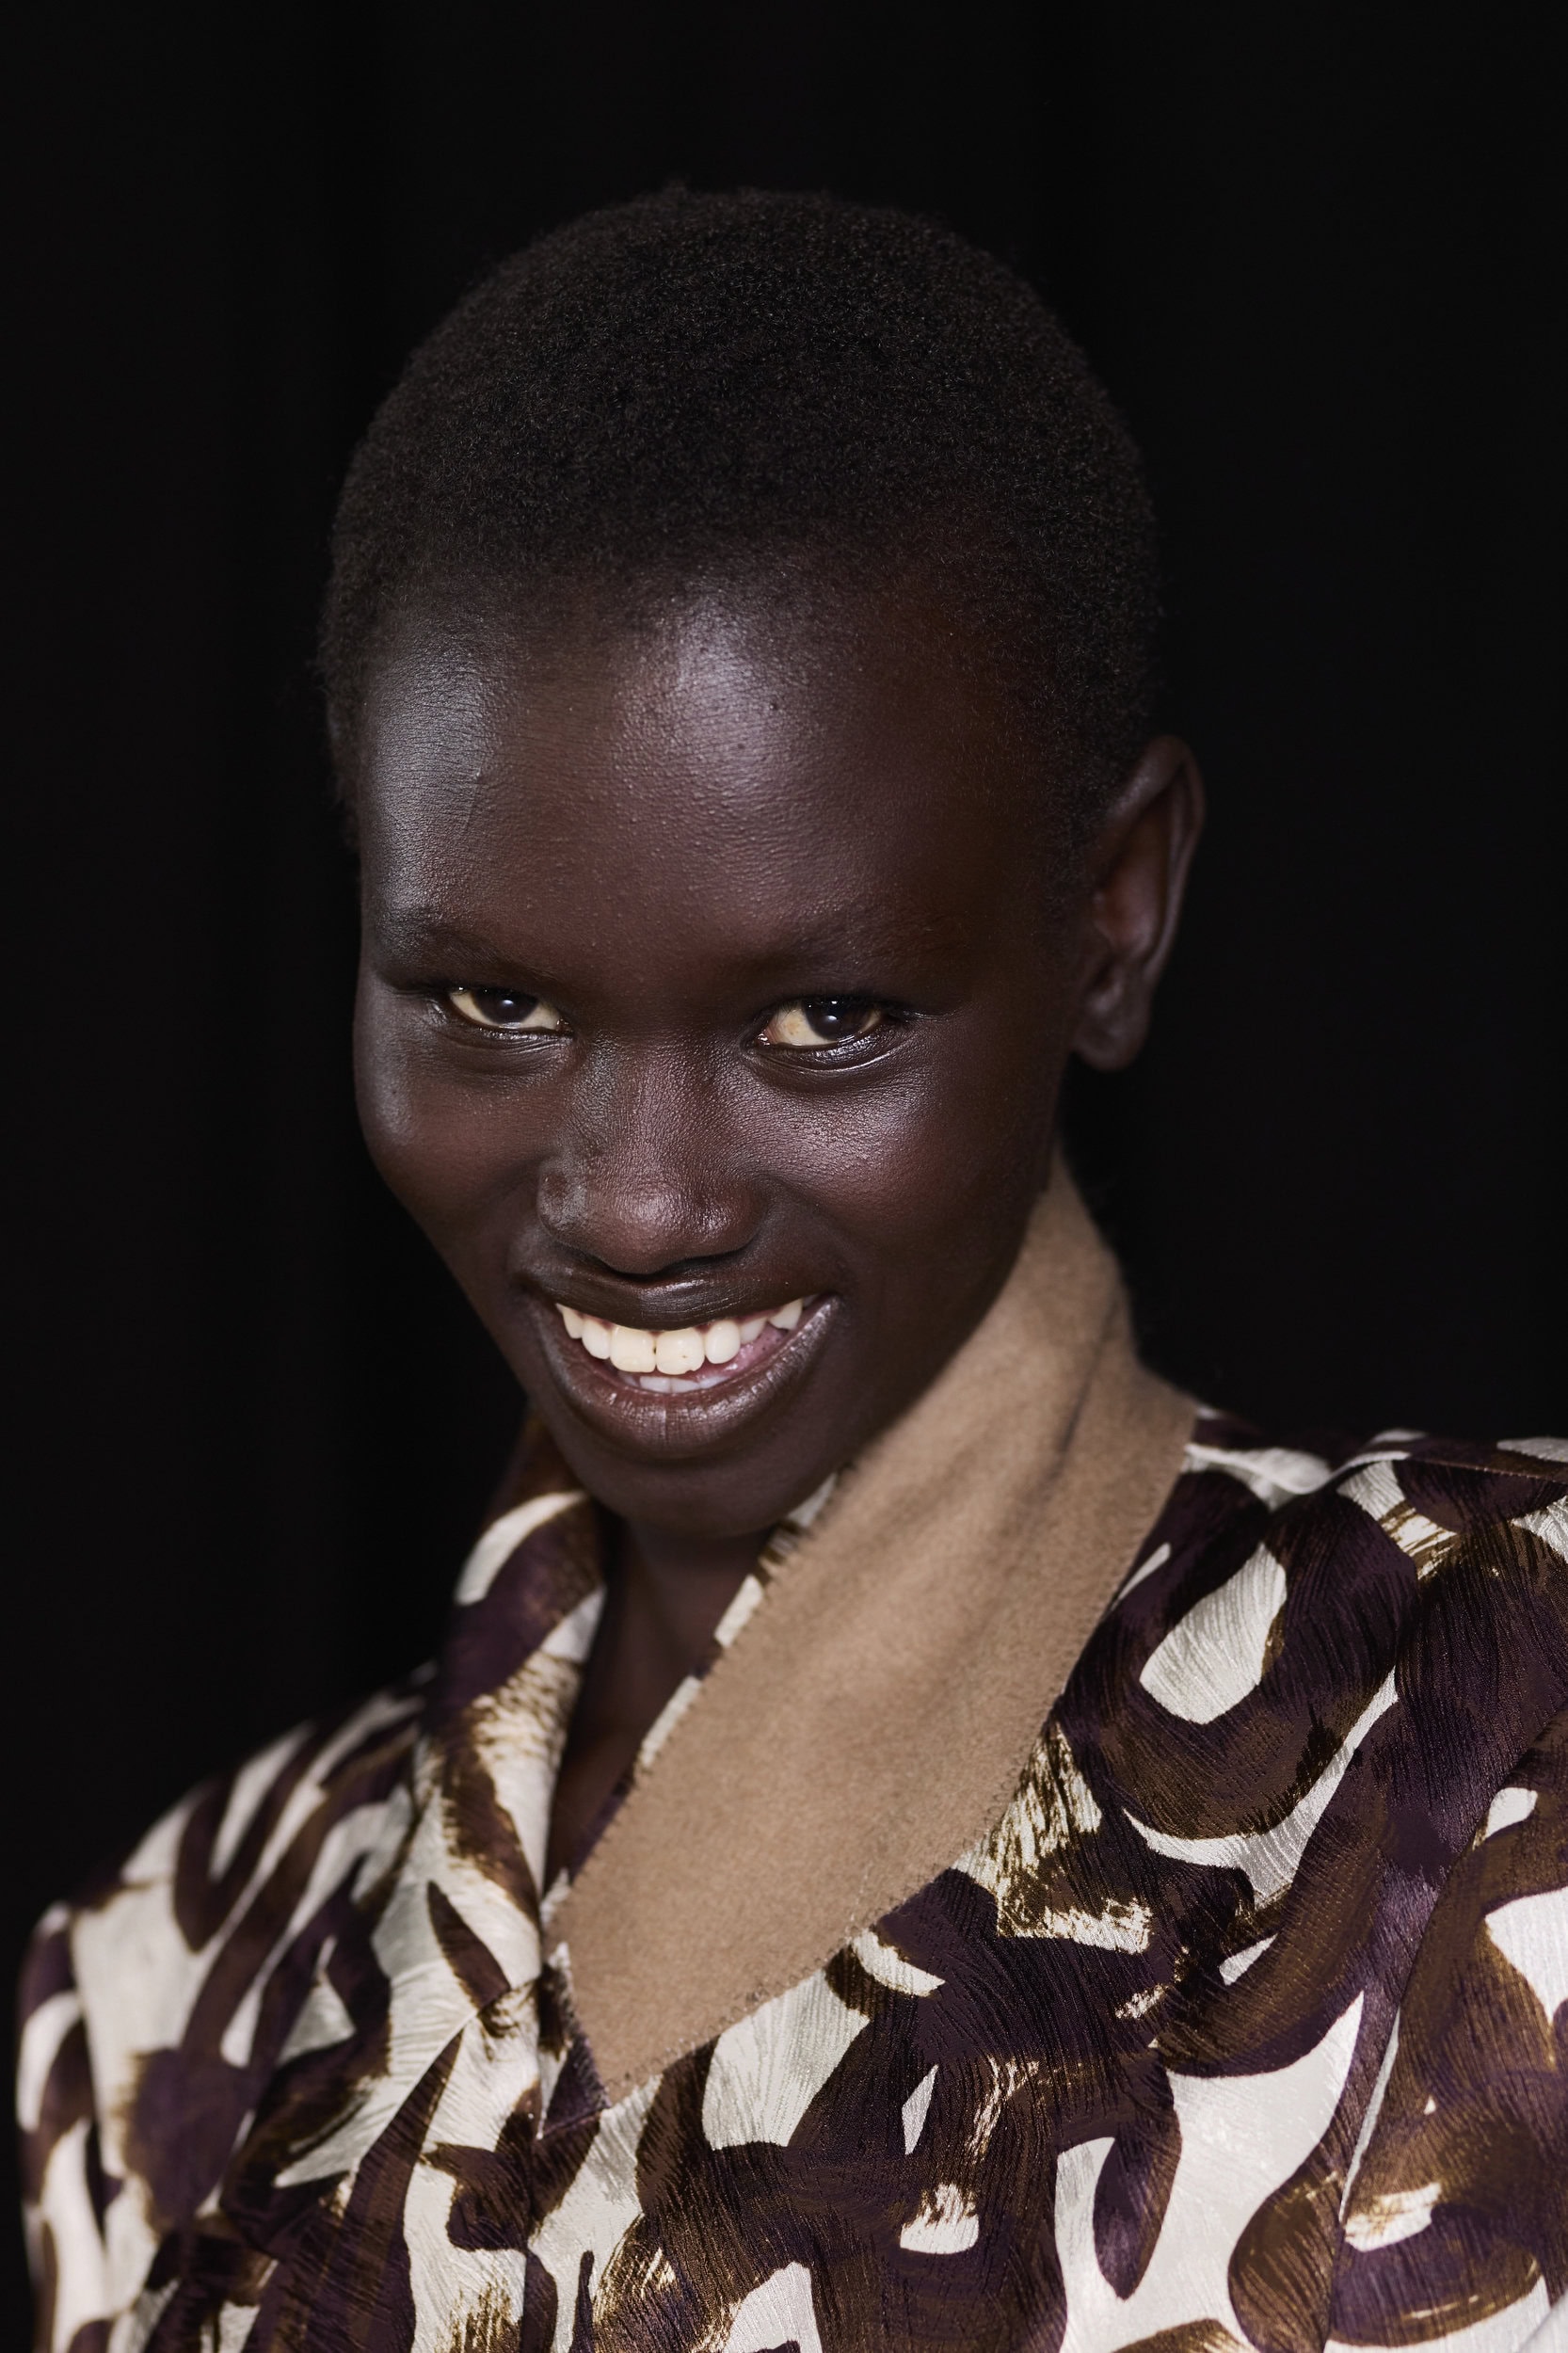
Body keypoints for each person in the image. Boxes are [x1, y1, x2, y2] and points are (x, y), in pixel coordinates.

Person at [17, 188, 1568, 2353]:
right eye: (490, 1003)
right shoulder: (158, 1987)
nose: (638, 1203)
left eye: (823, 1019)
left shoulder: (1485, 1719)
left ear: (1112, 910)